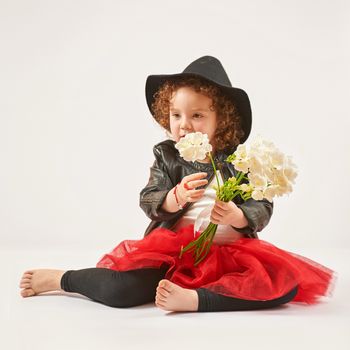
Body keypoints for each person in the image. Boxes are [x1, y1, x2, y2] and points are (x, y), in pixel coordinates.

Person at [19, 56, 336, 312]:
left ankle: (197, 300)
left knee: (283, 287)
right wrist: (175, 196)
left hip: (229, 253)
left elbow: (261, 205)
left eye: (197, 115)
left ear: (220, 120)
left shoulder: (240, 159)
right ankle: (64, 280)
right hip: (173, 250)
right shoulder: (168, 155)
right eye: (175, 115)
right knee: (123, 289)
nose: (184, 125)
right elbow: (149, 199)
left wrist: (236, 217)